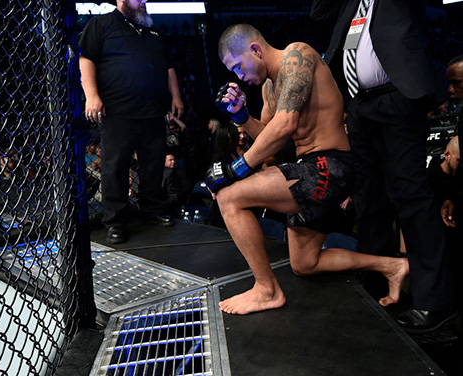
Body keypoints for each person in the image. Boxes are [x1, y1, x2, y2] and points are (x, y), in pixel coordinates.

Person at [205, 24, 409, 316]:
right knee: (305, 263)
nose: (239, 77)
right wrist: (242, 116)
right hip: (310, 170)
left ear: (255, 49)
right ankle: (392, 266)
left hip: (331, 165)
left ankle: (266, 290)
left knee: (229, 196)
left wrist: (237, 168)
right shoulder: (268, 89)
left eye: (239, 67)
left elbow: (285, 124)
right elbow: (270, 139)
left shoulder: (297, 56)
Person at [311, 0, 456, 332]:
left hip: (398, 97)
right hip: (360, 106)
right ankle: (376, 281)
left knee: (410, 197)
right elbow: (319, 11)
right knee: (369, 198)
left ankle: (435, 301)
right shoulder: (351, 3)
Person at [78, 0, 184, 244]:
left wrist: (176, 96)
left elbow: (168, 66)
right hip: (118, 110)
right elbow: (86, 59)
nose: (144, 1)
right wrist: (92, 96)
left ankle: (153, 210)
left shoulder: (152, 30)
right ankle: (114, 221)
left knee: (153, 164)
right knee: (115, 166)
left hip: (154, 110)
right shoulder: (102, 24)